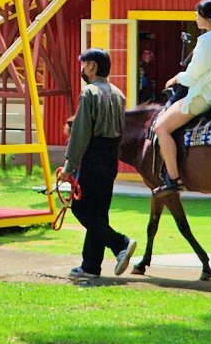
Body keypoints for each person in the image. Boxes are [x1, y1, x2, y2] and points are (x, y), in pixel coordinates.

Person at [151, 0, 211, 195]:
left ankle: (173, 179)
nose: (195, 17)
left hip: (205, 96)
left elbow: (193, 75)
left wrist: (175, 78)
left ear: (206, 18)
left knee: (161, 127)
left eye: (197, 14)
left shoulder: (207, 40)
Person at [62, 47, 137, 280]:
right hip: (110, 157)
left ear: (92, 66)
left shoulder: (89, 93)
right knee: (98, 214)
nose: (82, 70)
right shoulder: (118, 94)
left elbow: (80, 134)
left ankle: (120, 243)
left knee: (81, 209)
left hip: (92, 157)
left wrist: (69, 166)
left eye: (84, 65)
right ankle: (91, 266)